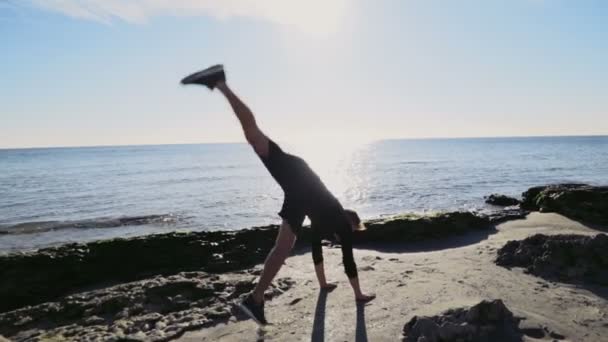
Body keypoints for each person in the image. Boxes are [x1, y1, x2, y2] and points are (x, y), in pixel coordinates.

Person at [181, 65, 375, 325]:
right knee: (255, 137)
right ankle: (221, 83)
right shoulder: (340, 222)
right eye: (355, 228)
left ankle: (256, 299)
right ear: (350, 222)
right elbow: (348, 261)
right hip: (300, 179)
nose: (353, 233)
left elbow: (317, 250)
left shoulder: (325, 222)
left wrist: (324, 284)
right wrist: (359, 294)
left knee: (283, 247)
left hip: (300, 196)